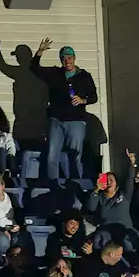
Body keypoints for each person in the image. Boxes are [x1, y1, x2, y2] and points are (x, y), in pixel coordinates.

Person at [30, 39, 97, 183]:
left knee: (75, 155)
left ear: (74, 58)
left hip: (76, 121)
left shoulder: (84, 76)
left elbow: (94, 97)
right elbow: (35, 69)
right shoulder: (55, 73)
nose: (67, 61)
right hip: (56, 120)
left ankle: (75, 184)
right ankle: (53, 184)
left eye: (69, 58)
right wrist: (40, 52)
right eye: (64, 58)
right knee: (52, 155)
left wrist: (83, 100)